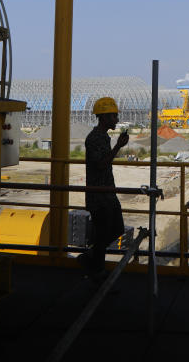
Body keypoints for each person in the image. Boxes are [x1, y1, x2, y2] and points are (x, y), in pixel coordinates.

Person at [80, 97, 129, 279]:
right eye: (114, 116)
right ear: (104, 117)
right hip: (99, 197)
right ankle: (96, 272)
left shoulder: (103, 137)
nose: (116, 119)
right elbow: (100, 164)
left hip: (107, 193)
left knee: (117, 229)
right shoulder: (94, 138)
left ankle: (92, 260)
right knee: (102, 235)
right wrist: (118, 146)